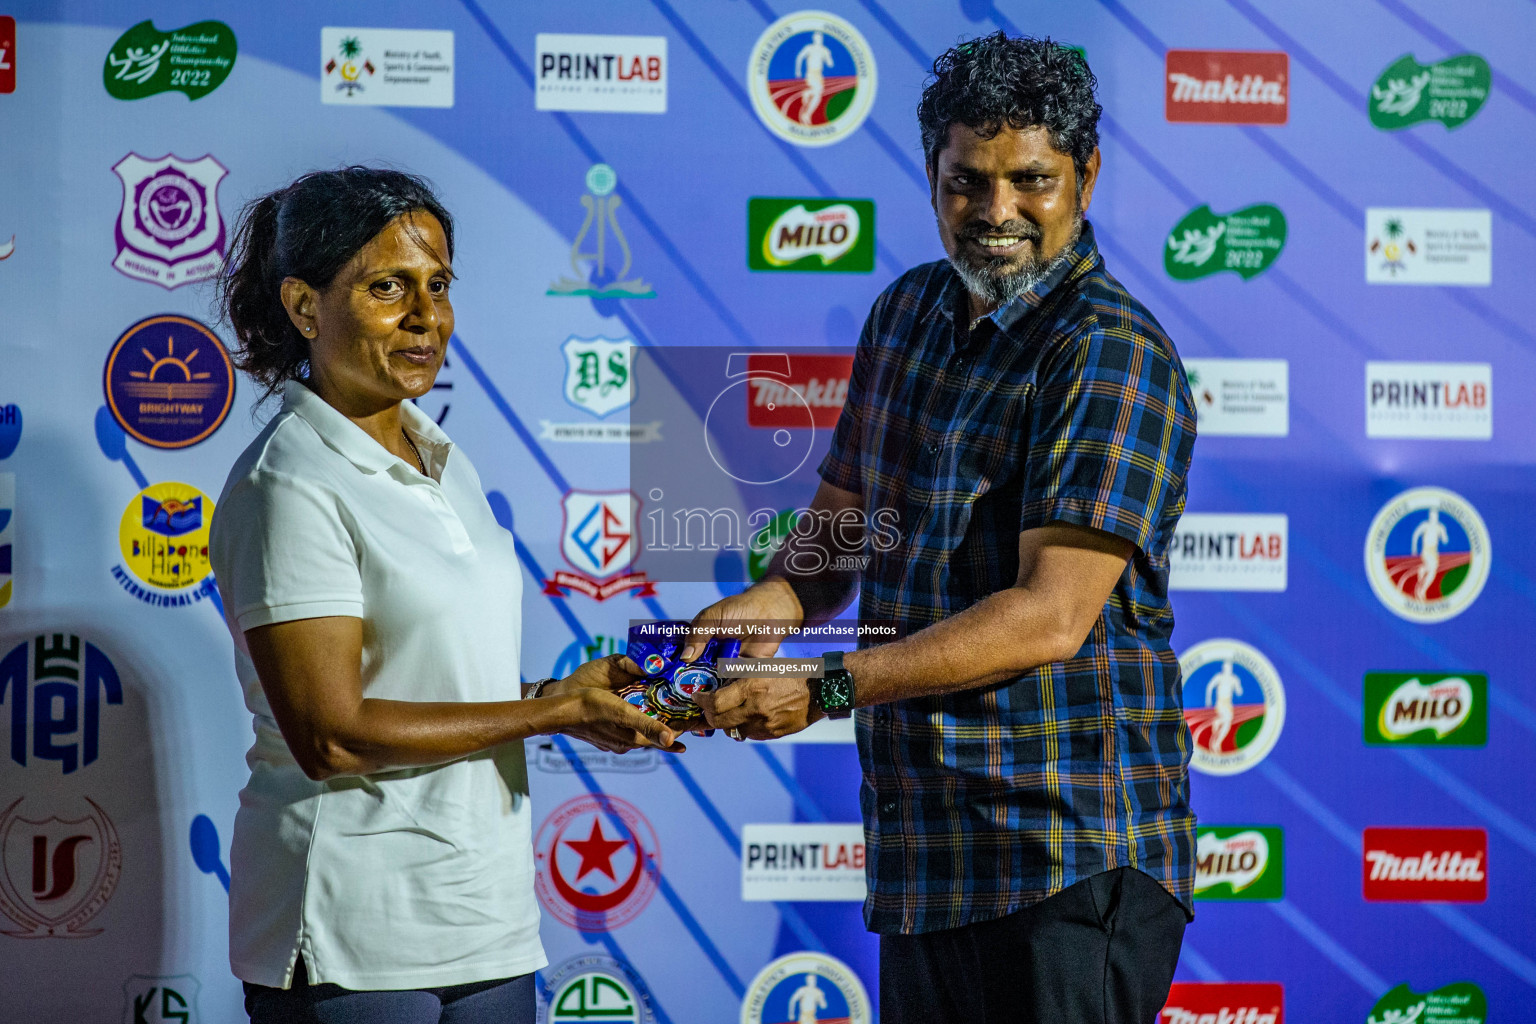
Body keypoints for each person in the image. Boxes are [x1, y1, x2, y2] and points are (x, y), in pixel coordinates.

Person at [686, 35, 1197, 1023]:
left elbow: (1048, 618)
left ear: (1085, 178)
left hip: (1063, 860)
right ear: (931, 178)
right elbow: (839, 528)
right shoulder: (908, 312)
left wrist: (822, 682)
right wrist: (769, 602)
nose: (996, 212)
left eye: (1030, 181)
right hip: (929, 855)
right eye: (968, 182)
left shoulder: (1110, 350)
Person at [208, 166, 680, 1024]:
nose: (425, 316)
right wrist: (549, 717)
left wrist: (558, 695)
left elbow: (437, 691)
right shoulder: (290, 483)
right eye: (387, 287)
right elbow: (332, 737)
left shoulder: (440, 459)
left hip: (484, 917)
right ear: (306, 308)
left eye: (438, 286)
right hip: (356, 926)